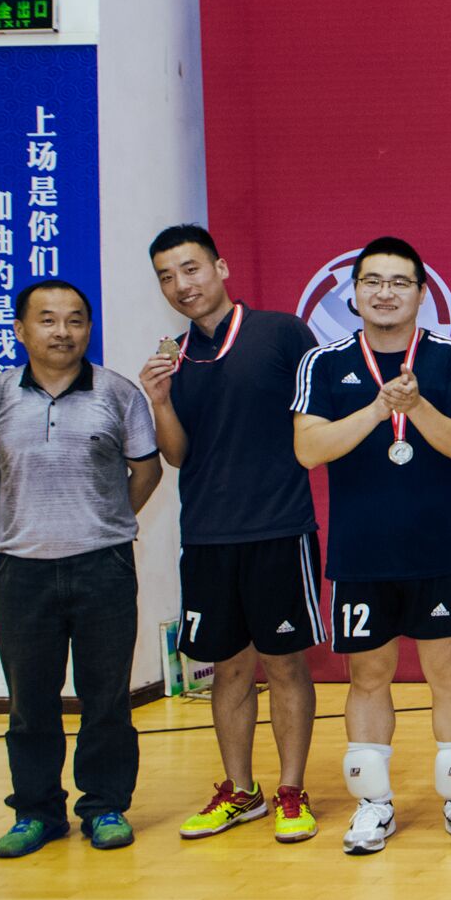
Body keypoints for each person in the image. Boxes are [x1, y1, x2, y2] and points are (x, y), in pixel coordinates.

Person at [290, 237, 451, 854]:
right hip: (361, 552)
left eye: (400, 282)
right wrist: (379, 409)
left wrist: (417, 405)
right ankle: (374, 805)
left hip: (436, 548)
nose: (385, 293)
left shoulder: (450, 356)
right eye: (373, 281)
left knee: (449, 673)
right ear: (353, 292)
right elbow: (308, 449)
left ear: (421, 293)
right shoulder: (323, 363)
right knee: (369, 676)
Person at [0, 280, 162, 859]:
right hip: (21, 570)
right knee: (30, 701)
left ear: (88, 329)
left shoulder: (118, 393)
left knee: (107, 697)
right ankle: (36, 812)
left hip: (103, 566)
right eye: (47, 320)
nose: (62, 332)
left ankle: (104, 807)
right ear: (21, 330)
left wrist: (106, 521)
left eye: (75, 320)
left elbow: (146, 471)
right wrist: (20, 525)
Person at [141, 224, 325, 843]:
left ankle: (292, 790)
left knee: (286, 664)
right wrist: (159, 400)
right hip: (207, 536)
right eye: (167, 277)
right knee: (228, 668)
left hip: (279, 528)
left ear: (220, 267)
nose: (181, 285)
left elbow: (320, 419)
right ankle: (240, 791)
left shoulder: (282, 333)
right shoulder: (172, 358)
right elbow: (177, 456)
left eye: (191, 268)